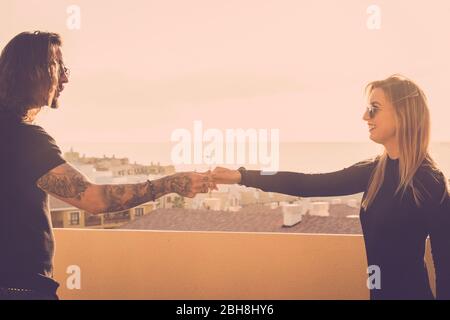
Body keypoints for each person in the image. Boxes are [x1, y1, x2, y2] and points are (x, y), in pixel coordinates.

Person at [0, 31, 214, 300]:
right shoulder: (25, 138)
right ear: (32, 72)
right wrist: (171, 183)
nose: (65, 77)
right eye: (59, 67)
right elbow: (95, 200)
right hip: (19, 288)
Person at [212, 75, 450, 300]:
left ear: (402, 114)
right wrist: (241, 176)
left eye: (374, 108)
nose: (365, 116)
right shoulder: (374, 172)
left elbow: (445, 261)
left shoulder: (430, 182)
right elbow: (306, 184)